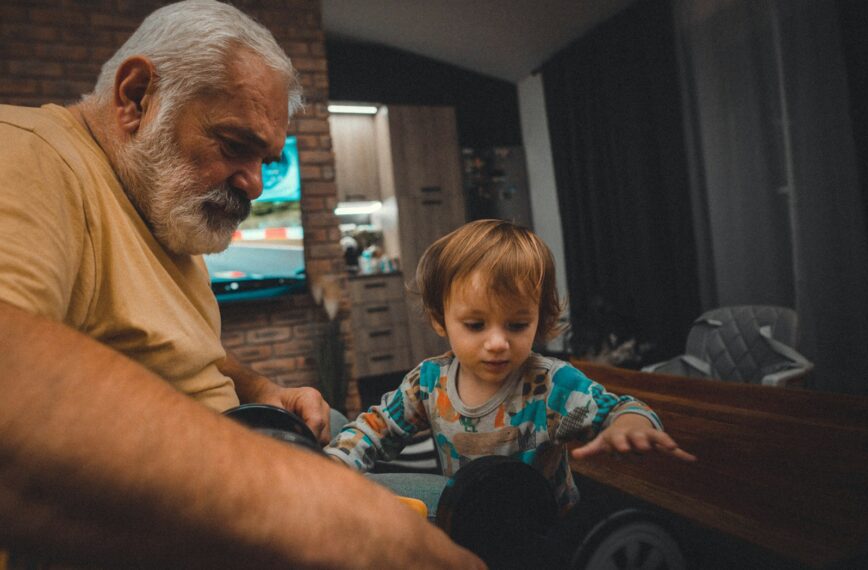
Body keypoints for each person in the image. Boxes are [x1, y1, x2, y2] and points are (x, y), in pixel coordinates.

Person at [0, 1, 484, 568]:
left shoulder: (160, 203)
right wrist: (317, 510)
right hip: (178, 528)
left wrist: (258, 389)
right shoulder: (29, 152)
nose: (254, 183)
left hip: (250, 458)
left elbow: (169, 349)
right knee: (476, 528)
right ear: (136, 97)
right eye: (233, 144)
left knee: (486, 502)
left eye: (266, 160)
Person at [325, 219, 696, 510]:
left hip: (546, 526)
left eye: (517, 325)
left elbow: (621, 408)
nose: (498, 342)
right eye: (475, 325)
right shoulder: (427, 382)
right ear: (440, 319)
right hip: (469, 515)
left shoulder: (551, 385)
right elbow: (374, 429)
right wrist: (333, 468)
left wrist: (629, 423)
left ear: (541, 318)